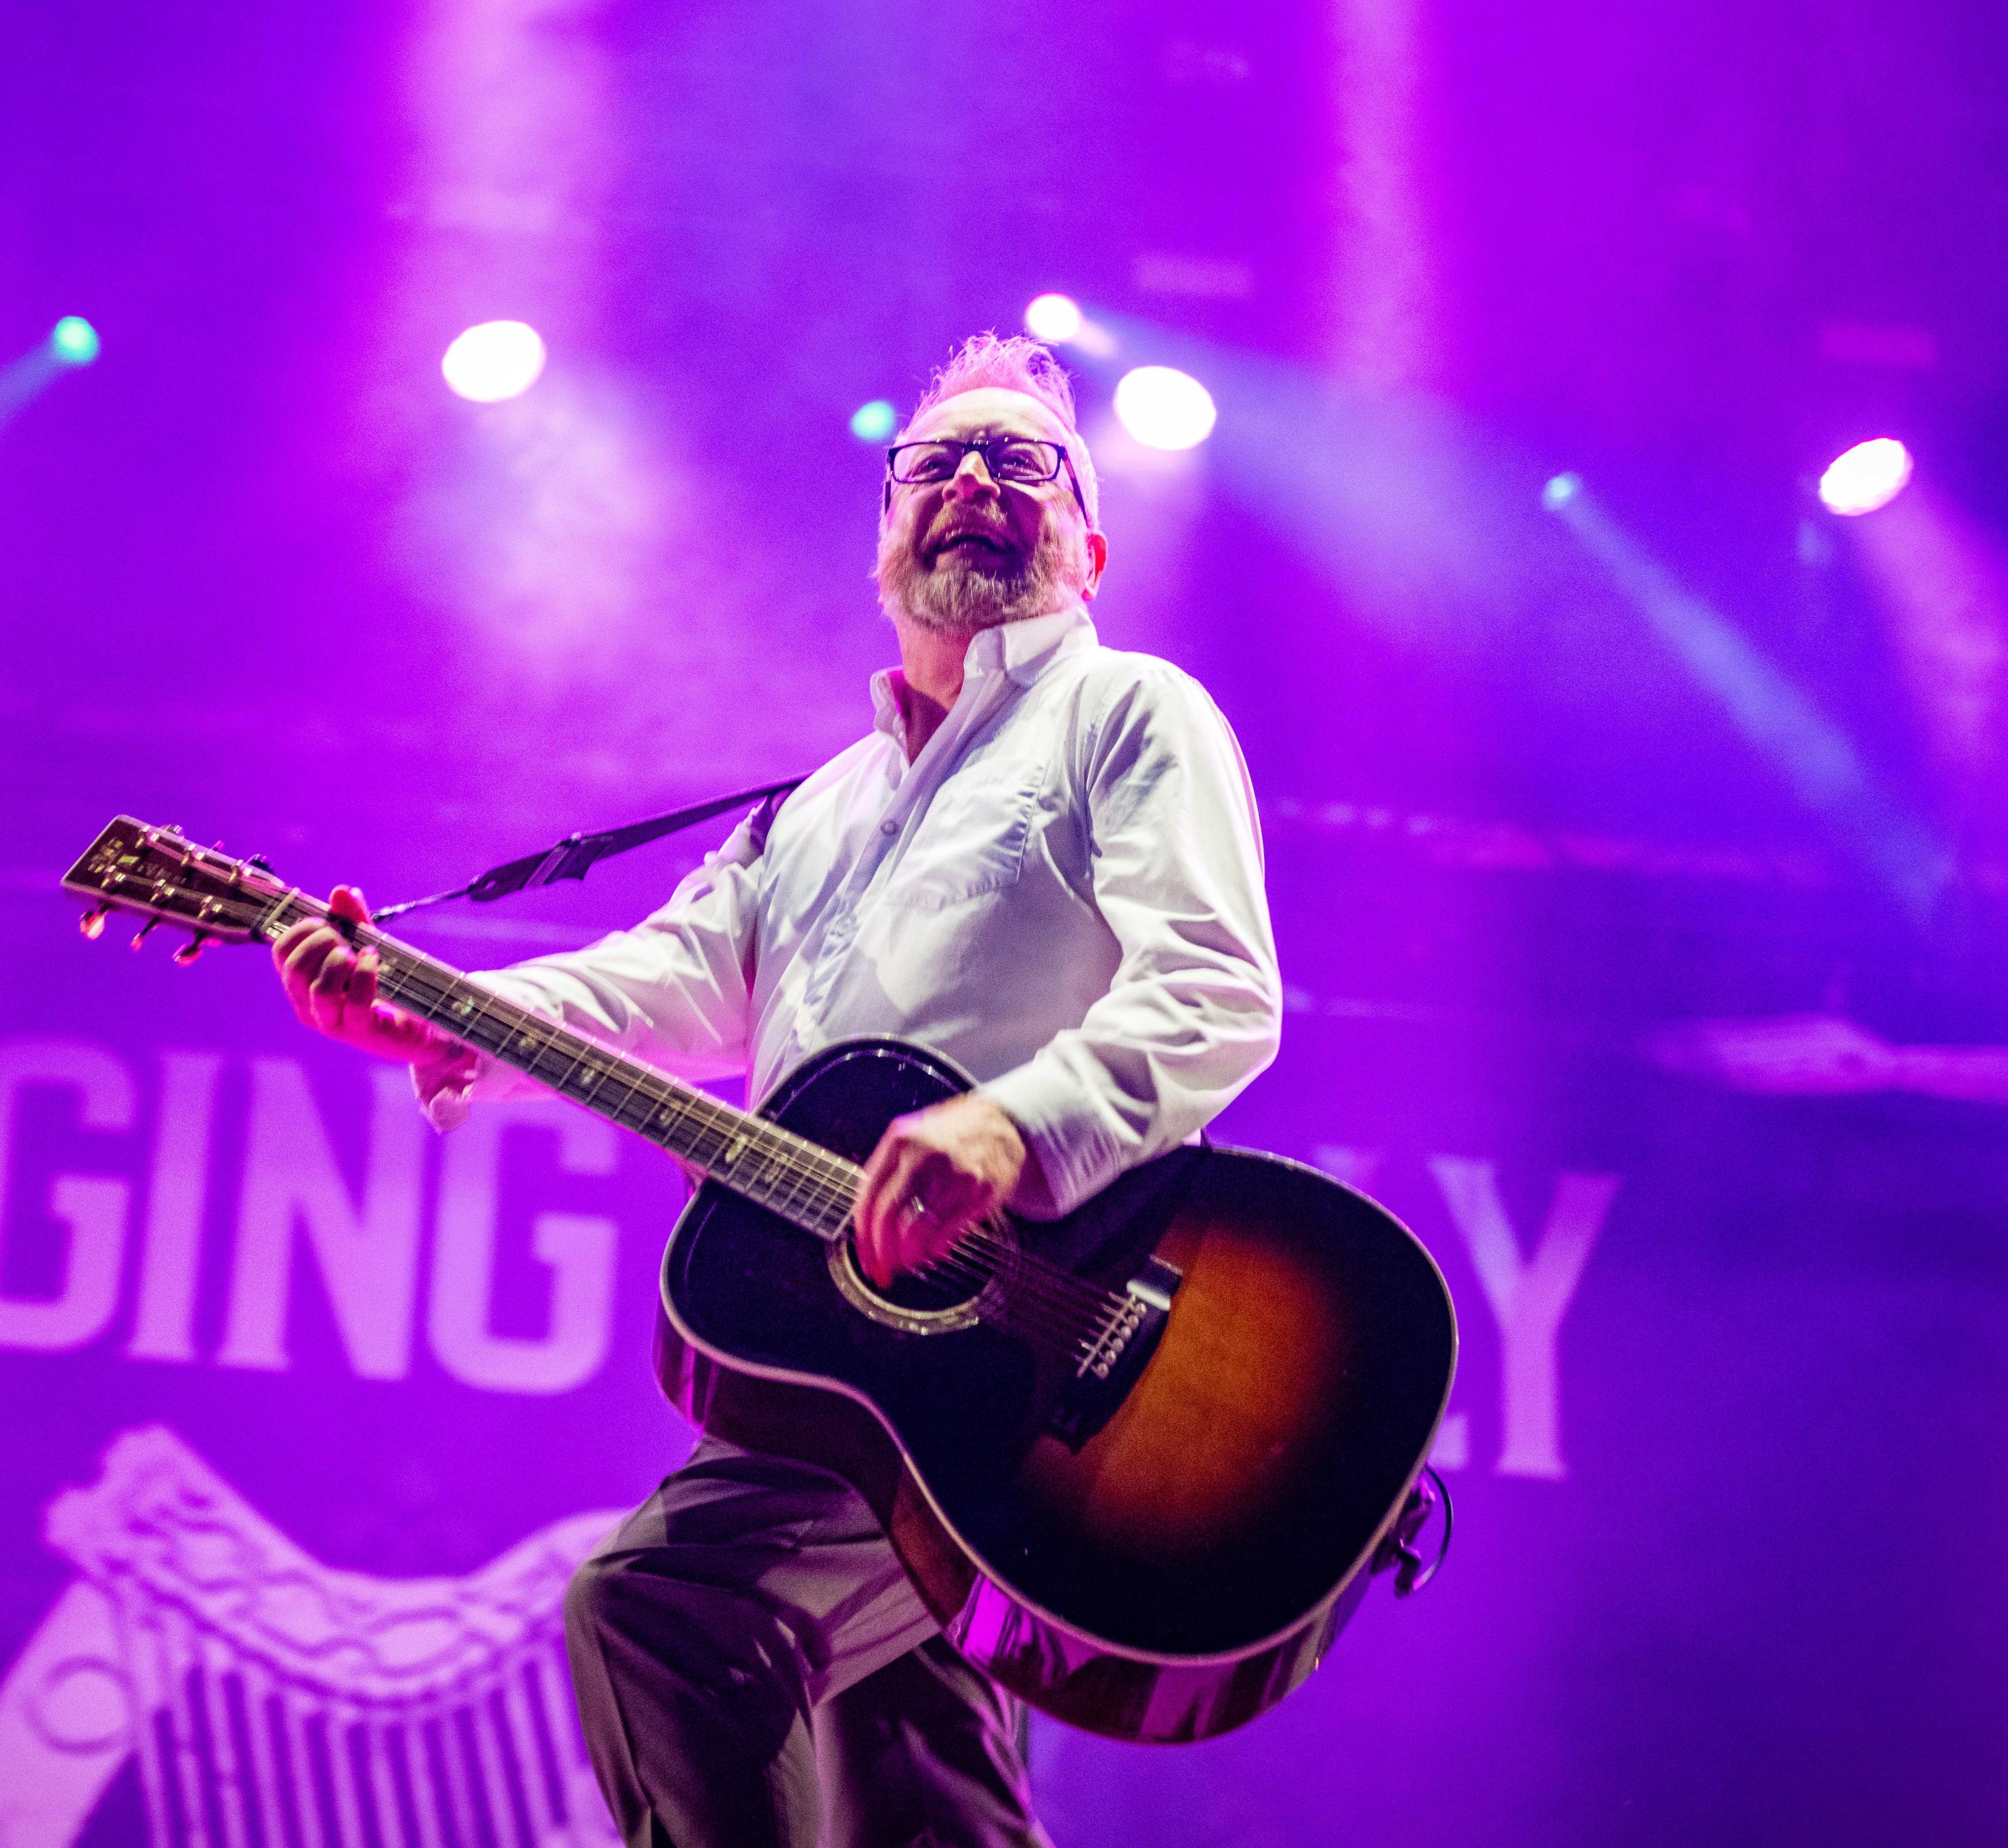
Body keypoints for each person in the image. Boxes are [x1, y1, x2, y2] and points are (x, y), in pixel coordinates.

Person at [274, 332, 1281, 1847]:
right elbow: (656, 984)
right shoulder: (815, 810)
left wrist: (1010, 1129)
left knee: (667, 1610)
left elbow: (1215, 989)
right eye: (934, 463)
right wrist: (426, 1009)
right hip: (859, 1367)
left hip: (1040, 1361)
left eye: (1020, 462)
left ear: (1088, 546)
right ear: (884, 540)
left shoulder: (1130, 711)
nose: (972, 482)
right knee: (922, 1804)